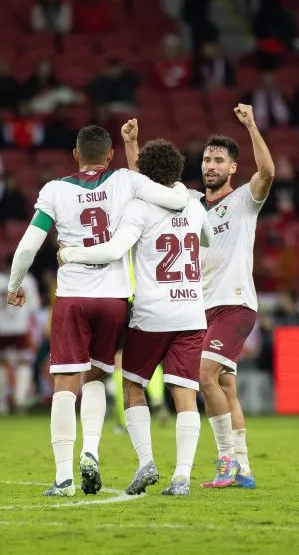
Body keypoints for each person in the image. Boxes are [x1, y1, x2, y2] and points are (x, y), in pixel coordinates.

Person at [5, 123, 189, 498]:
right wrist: (184, 188)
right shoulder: (125, 179)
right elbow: (175, 200)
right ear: (109, 156)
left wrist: (14, 284)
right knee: (96, 378)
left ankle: (63, 478)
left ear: (75, 155)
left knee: (64, 384)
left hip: (73, 295)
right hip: (115, 299)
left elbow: (29, 244)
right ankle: (90, 450)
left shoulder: (55, 190)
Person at [60, 139, 206, 497]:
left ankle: (146, 463)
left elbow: (113, 249)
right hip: (191, 311)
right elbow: (207, 245)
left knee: (132, 386)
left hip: (152, 313)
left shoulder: (139, 209)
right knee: (184, 393)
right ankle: (183, 477)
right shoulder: (195, 204)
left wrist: (70, 254)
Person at [178, 103, 275, 489]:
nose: (211, 165)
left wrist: (252, 124)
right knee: (226, 386)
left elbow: (267, 172)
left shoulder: (244, 201)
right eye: (206, 159)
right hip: (203, 306)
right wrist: (132, 144)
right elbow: (145, 185)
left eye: (219, 160)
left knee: (204, 374)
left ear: (233, 168)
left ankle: (225, 463)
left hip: (234, 304)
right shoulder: (192, 206)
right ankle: (244, 468)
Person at [0, 267, 39, 416]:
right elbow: (34, 307)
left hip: (1, 328)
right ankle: (19, 400)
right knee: (23, 363)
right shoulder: (28, 280)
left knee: (1, 364)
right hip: (20, 327)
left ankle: (1, 403)